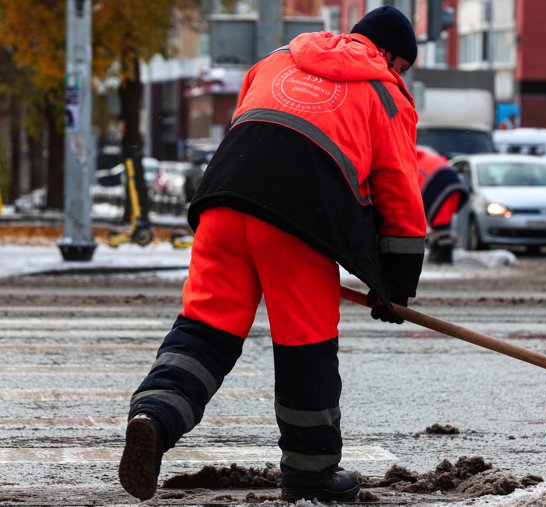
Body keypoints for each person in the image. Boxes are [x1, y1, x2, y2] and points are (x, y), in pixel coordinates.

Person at [117, 6, 426, 503]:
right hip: (298, 219)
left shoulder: (276, 60)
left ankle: (154, 416)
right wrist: (396, 282)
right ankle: (311, 474)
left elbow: (251, 126)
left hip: (223, 200)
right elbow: (398, 190)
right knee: (306, 346)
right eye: (403, 68)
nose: (400, 77)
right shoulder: (384, 93)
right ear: (388, 55)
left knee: (205, 328)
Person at [416, 147, 469, 263]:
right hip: (455, 186)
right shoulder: (429, 157)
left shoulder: (414, 165)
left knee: (440, 224)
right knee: (442, 224)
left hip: (438, 188)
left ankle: (444, 254)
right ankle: (440, 248)